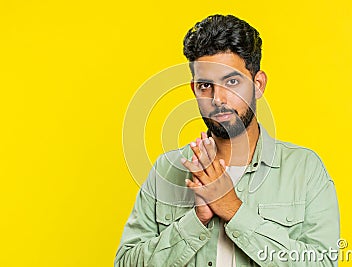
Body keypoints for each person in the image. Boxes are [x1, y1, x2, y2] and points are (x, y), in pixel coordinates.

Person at [115, 14, 340, 267]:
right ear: (194, 90)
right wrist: (195, 221)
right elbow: (126, 263)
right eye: (205, 86)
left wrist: (233, 209)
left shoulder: (304, 169)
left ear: (258, 84)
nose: (218, 98)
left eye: (231, 82)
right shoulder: (167, 170)